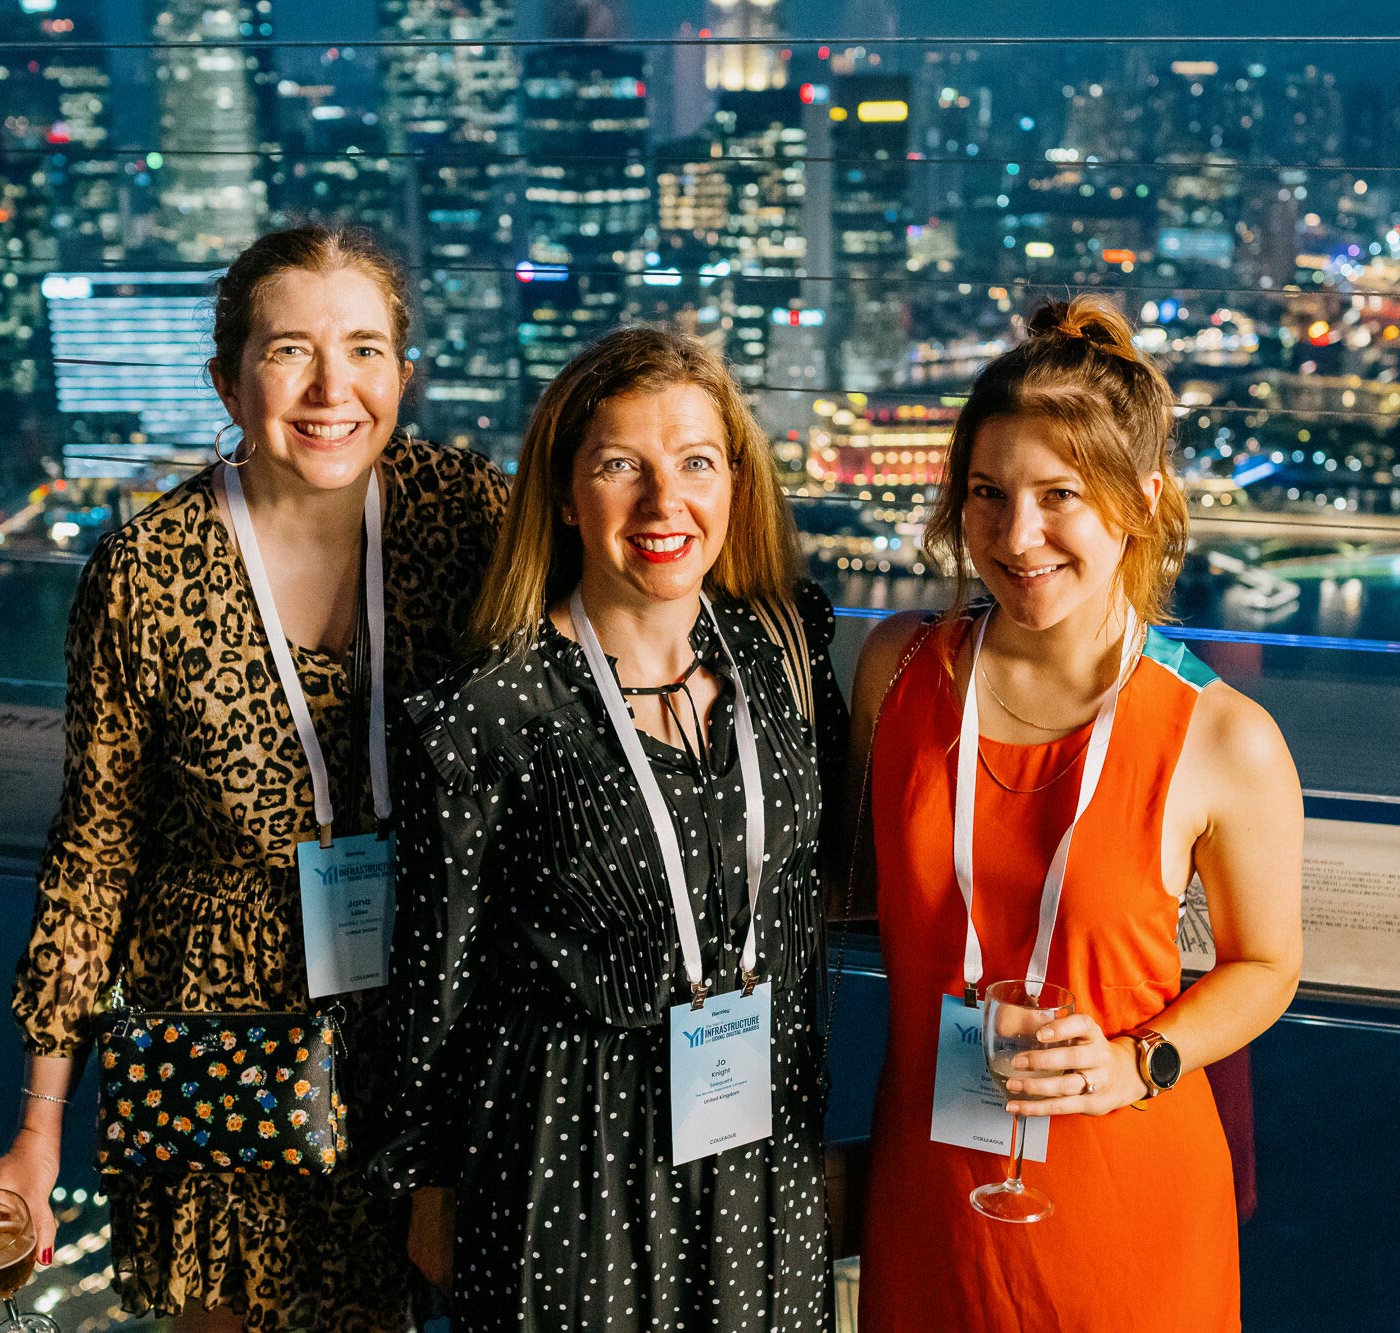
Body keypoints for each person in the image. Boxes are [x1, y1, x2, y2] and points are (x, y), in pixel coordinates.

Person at [0, 223, 508, 1331]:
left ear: (404, 374)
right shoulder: (143, 573)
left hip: (425, 1030)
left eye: (365, 350)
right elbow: (94, 855)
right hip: (222, 1038)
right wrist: (37, 1133)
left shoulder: (465, 516)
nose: (332, 388)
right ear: (227, 383)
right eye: (289, 351)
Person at [371, 327, 847, 1331]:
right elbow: (432, 983)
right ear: (561, 493)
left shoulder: (781, 650)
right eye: (620, 465)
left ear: (737, 482)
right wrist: (428, 1187)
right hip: (567, 1158)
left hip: (760, 1145)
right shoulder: (486, 710)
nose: (664, 502)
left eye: (696, 463)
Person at [849, 295, 1304, 1331]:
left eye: (1060, 494)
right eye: (987, 493)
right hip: (929, 1188)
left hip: (1125, 1191)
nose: (1017, 537)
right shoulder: (898, 669)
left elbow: (1267, 964)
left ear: (1139, 501)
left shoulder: (1222, 737)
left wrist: (1140, 1060)